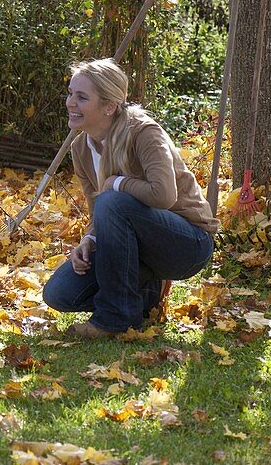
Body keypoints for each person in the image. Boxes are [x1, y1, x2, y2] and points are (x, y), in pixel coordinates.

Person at [42, 58, 218, 339]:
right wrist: (90, 240)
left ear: (109, 106)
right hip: (136, 245)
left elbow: (164, 194)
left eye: (82, 97)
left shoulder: (144, 132)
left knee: (112, 200)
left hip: (187, 243)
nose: (70, 103)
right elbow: (96, 211)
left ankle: (114, 321)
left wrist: (117, 182)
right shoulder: (81, 147)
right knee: (59, 294)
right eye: (70, 93)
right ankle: (143, 299)